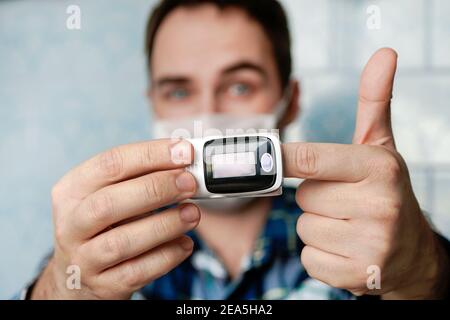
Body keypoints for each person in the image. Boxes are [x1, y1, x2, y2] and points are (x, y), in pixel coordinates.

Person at [23, 0, 449, 299]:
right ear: (152, 100)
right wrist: (61, 289)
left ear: (291, 99)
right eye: (178, 91)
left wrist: (421, 273)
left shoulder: (366, 244)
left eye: (240, 85)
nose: (207, 115)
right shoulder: (103, 250)